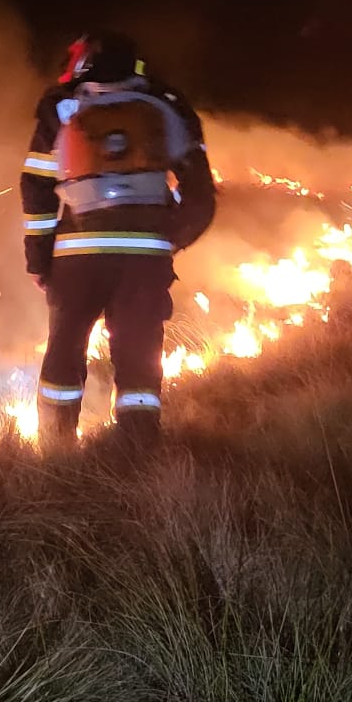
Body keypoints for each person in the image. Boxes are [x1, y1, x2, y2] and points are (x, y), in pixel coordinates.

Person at [20, 31, 215, 451]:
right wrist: (167, 238)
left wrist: (39, 260)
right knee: (139, 356)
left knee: (65, 349)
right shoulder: (167, 108)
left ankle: (55, 451)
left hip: (77, 257)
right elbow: (200, 194)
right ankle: (138, 451)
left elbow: (35, 186)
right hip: (145, 258)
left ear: (80, 64)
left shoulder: (61, 108)